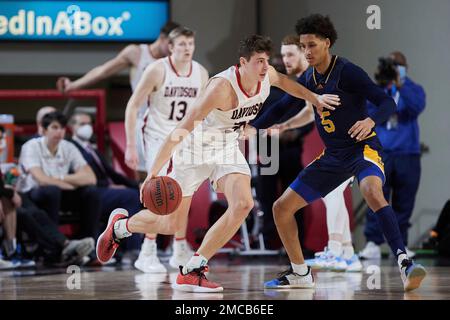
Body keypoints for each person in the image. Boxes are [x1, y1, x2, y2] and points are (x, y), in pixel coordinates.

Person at [96, 34, 340, 292]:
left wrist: (315, 99)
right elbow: (179, 131)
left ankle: (193, 268)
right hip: (194, 150)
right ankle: (120, 227)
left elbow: (289, 84)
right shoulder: (220, 89)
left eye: (266, 61)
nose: (264, 67)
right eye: (258, 61)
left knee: (244, 203)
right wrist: (152, 173)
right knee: (169, 223)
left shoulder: (267, 75)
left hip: (226, 147)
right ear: (242, 63)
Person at [258, 14, 425, 292]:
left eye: (312, 45)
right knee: (281, 208)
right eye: (303, 46)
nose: (307, 52)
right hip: (333, 156)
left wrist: (371, 120)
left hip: (363, 148)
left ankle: (404, 263)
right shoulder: (309, 78)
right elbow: (283, 108)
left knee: (372, 191)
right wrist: (250, 124)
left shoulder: (347, 71)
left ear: (327, 43)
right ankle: (300, 272)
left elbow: (385, 102)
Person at [259, 34, 362, 272]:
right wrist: (283, 126)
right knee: (332, 193)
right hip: (341, 145)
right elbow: (309, 111)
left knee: (332, 192)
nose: (285, 59)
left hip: (351, 143)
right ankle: (348, 253)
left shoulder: (320, 76)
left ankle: (336, 250)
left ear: (304, 53)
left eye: (290, 54)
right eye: (283, 54)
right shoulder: (308, 79)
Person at [123, 26, 209, 273]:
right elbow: (132, 106)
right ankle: (146, 251)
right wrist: (130, 145)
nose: (187, 49)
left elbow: (204, 111)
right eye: (181, 44)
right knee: (158, 191)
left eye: (190, 44)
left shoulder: (201, 73)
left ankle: (179, 247)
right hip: (157, 136)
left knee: (184, 192)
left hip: (185, 137)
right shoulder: (157, 69)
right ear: (170, 47)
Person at [56, 21, 180, 177]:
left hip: (166, 124)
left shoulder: (175, 60)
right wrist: (73, 85)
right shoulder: (136, 53)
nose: (173, 51)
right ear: (162, 38)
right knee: (143, 178)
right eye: (171, 45)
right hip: (142, 122)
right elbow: (103, 71)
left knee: (169, 176)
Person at [360, 52, 426, 259]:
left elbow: (416, 107)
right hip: (382, 153)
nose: (394, 68)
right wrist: (381, 83)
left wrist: (401, 84)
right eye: (391, 65)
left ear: (406, 67)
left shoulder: (413, 88)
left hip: (408, 153)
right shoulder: (377, 89)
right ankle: (372, 242)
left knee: (404, 201)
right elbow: (368, 111)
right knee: (376, 196)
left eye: (398, 65)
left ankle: (401, 244)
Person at [17, 111, 102, 240]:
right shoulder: (31, 147)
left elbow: (91, 178)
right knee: (51, 191)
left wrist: (62, 179)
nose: (59, 132)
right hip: (32, 194)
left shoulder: (68, 147)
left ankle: (89, 242)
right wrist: (69, 183)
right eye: (55, 127)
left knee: (92, 192)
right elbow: (41, 179)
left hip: (61, 191)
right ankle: (56, 245)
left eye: (62, 128)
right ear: (44, 130)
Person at [68, 112, 142, 255]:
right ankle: (133, 248)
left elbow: (112, 174)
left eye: (89, 124)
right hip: (90, 192)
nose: (87, 127)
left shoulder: (92, 148)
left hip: (104, 190)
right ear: (71, 127)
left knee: (139, 194)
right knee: (130, 196)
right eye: (82, 124)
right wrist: (108, 186)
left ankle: (135, 246)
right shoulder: (70, 147)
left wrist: (136, 184)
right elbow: (82, 175)